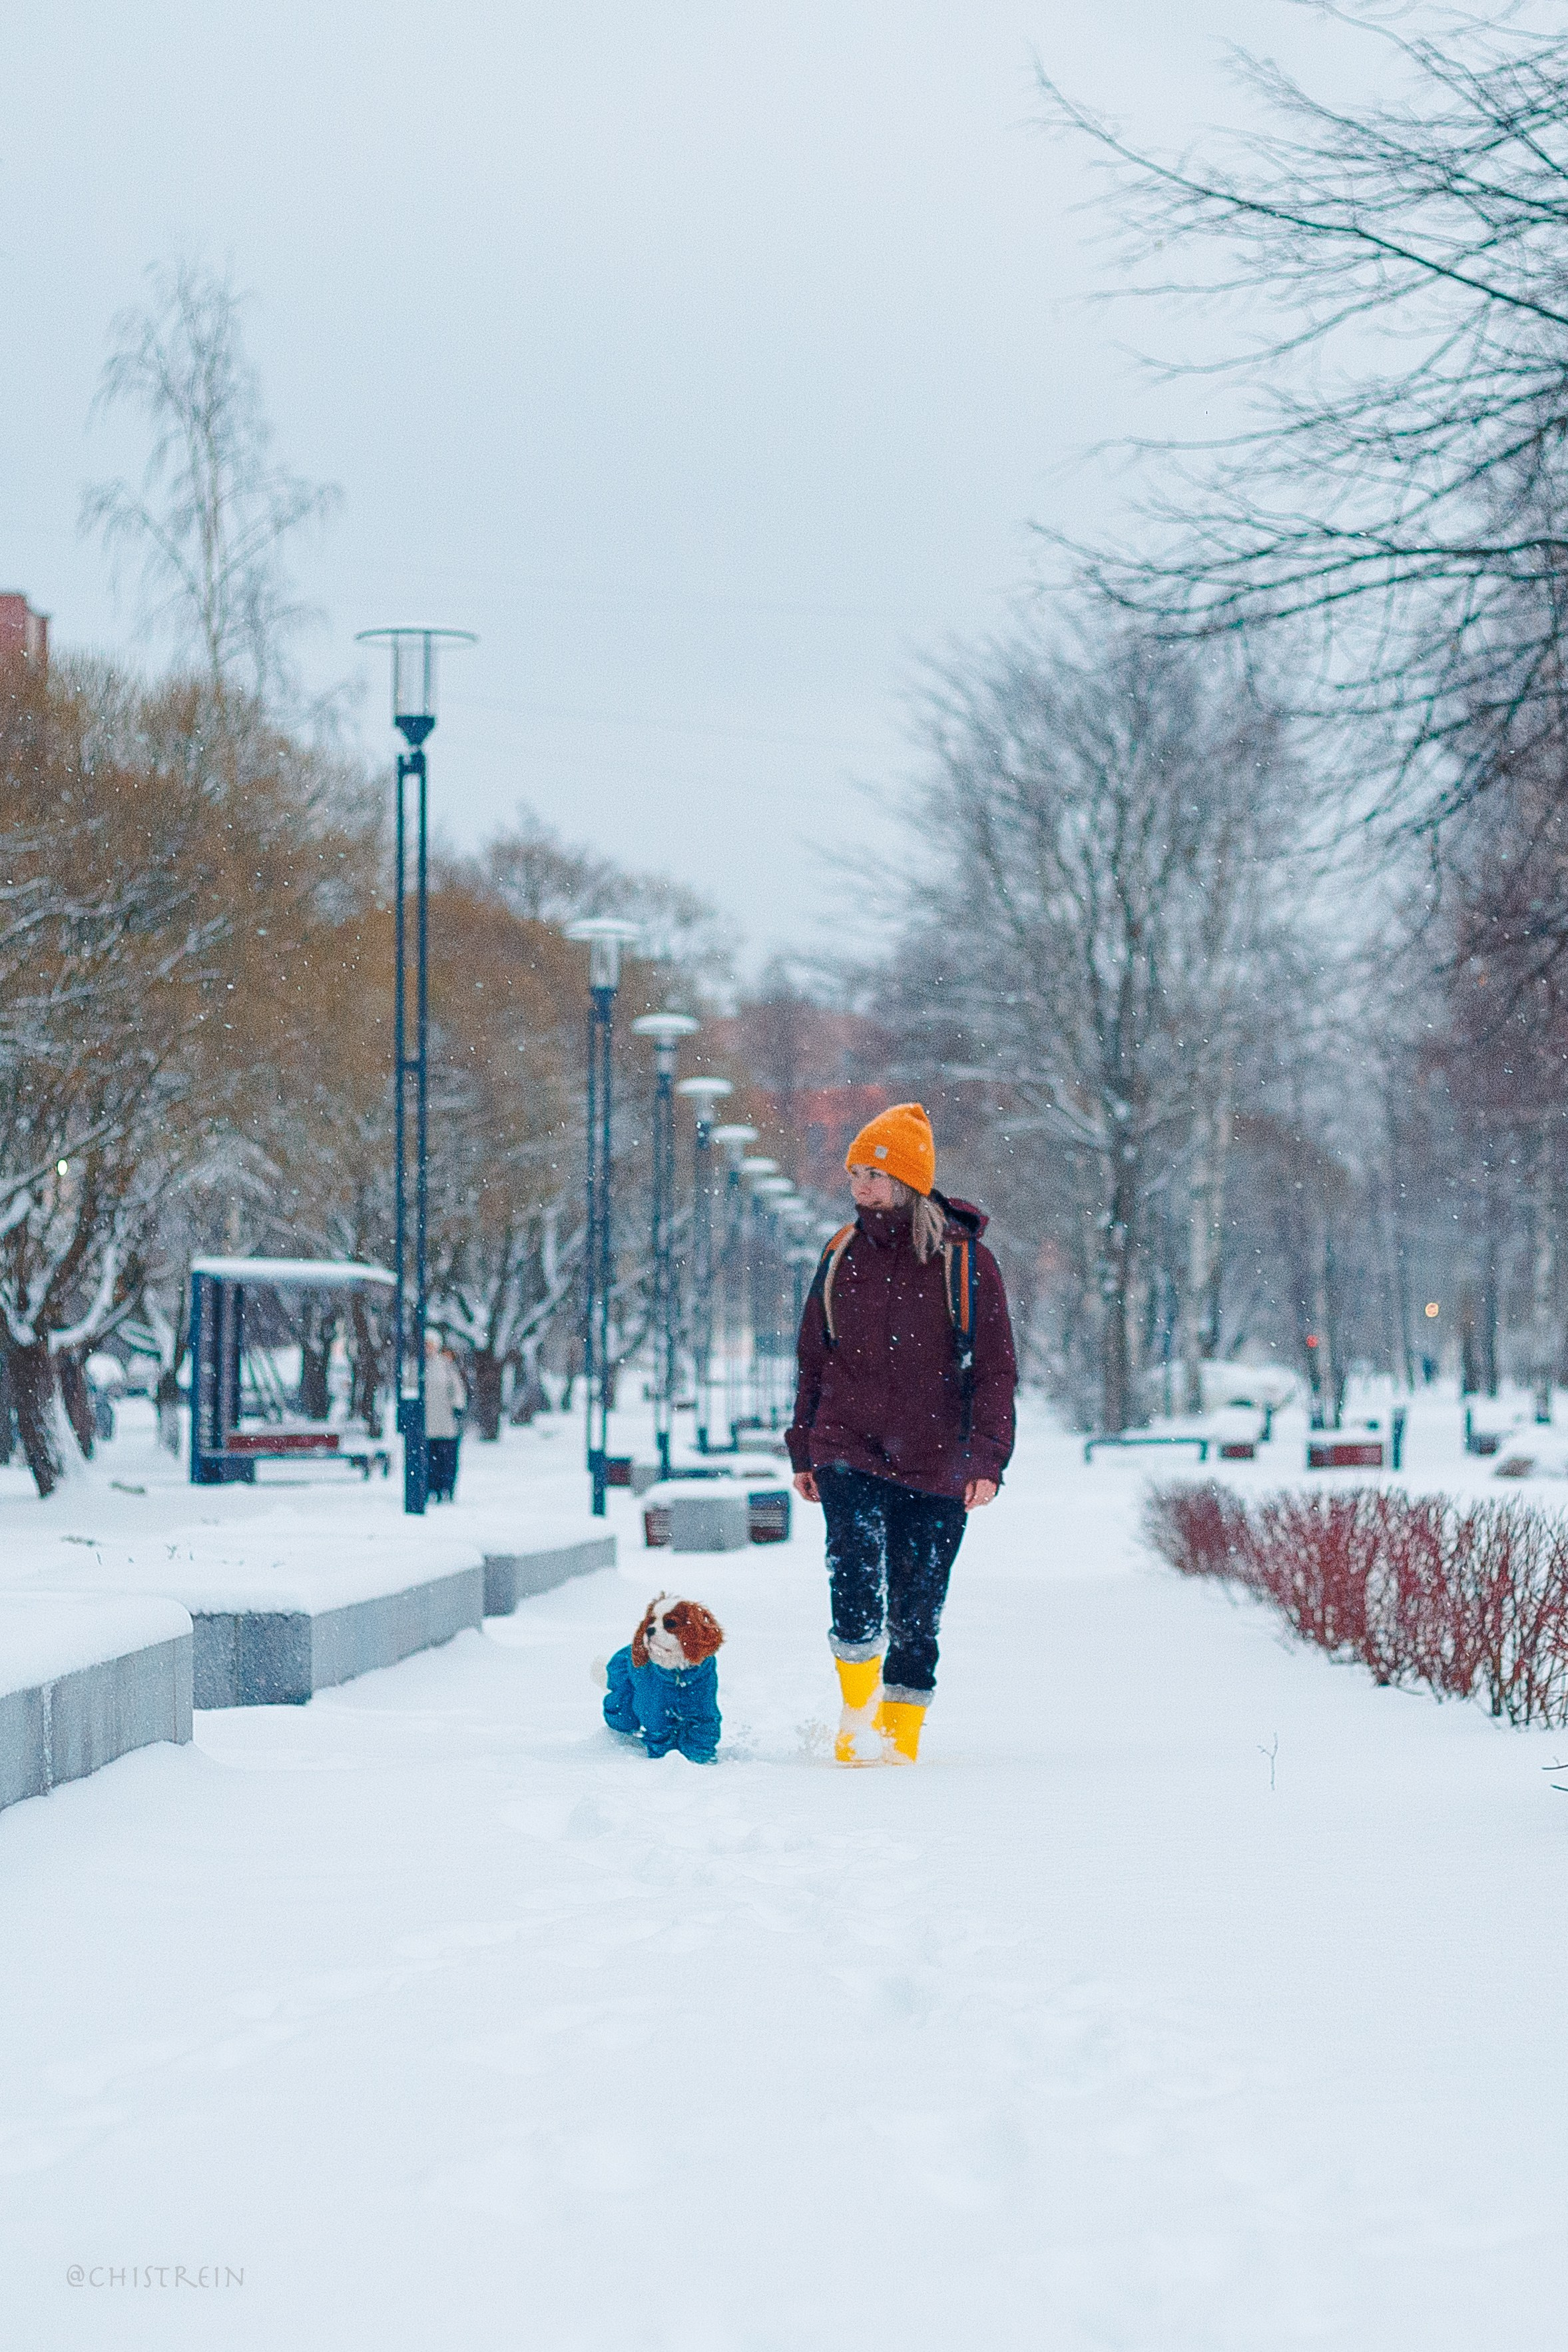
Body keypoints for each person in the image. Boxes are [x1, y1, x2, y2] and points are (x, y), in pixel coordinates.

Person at [787, 1103, 1017, 1765]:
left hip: (937, 1457)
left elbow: (996, 1370)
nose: (862, 1188)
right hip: (848, 1447)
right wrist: (805, 1446)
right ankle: (855, 1724)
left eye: (876, 1175)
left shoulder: (967, 1265)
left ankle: (900, 1739)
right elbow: (813, 1357)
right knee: (853, 1576)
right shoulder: (840, 1254)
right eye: (856, 1173)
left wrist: (986, 1459)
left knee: (918, 1604)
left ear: (911, 1181)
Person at [423, 1332, 467, 1502]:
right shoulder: (417, 1365)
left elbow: (457, 1390)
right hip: (427, 1424)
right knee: (429, 1459)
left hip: (446, 1422)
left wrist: (457, 1407)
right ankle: (431, 1488)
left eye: (431, 1344)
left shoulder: (446, 1366)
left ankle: (446, 1488)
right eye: (426, 1344)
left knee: (446, 1459)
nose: (429, 1348)